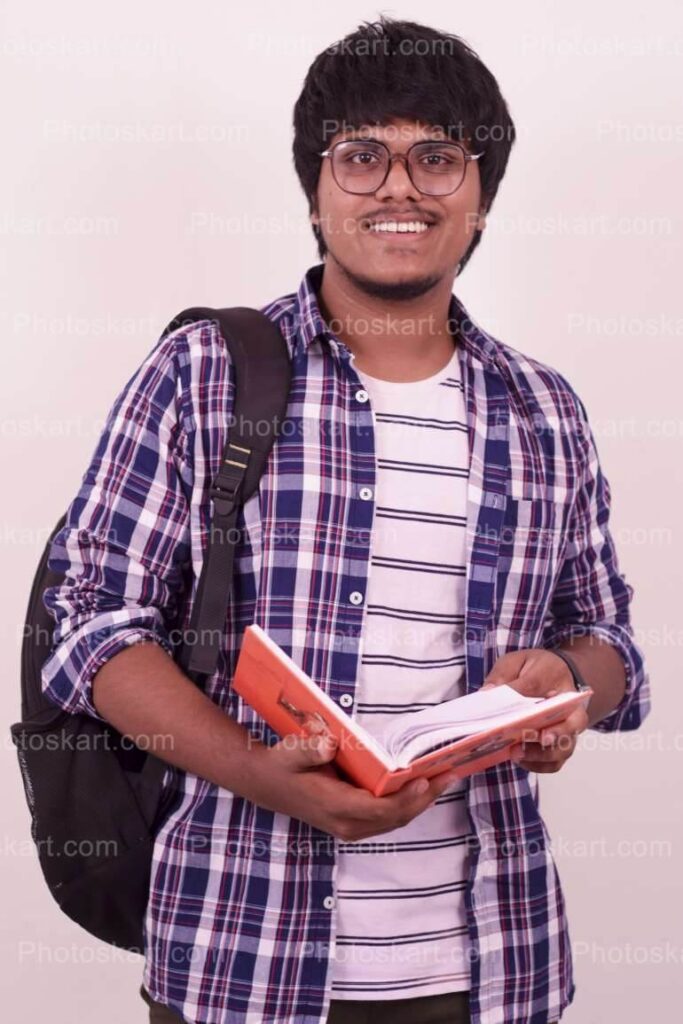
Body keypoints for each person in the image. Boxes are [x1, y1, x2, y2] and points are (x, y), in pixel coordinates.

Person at [41, 16, 651, 1024]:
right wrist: (255, 773)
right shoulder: (202, 375)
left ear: (481, 200)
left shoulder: (546, 410)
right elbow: (92, 626)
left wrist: (568, 684)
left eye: (436, 158)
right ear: (316, 196)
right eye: (360, 156)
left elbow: (609, 639)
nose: (398, 187)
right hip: (242, 961)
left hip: (496, 972)